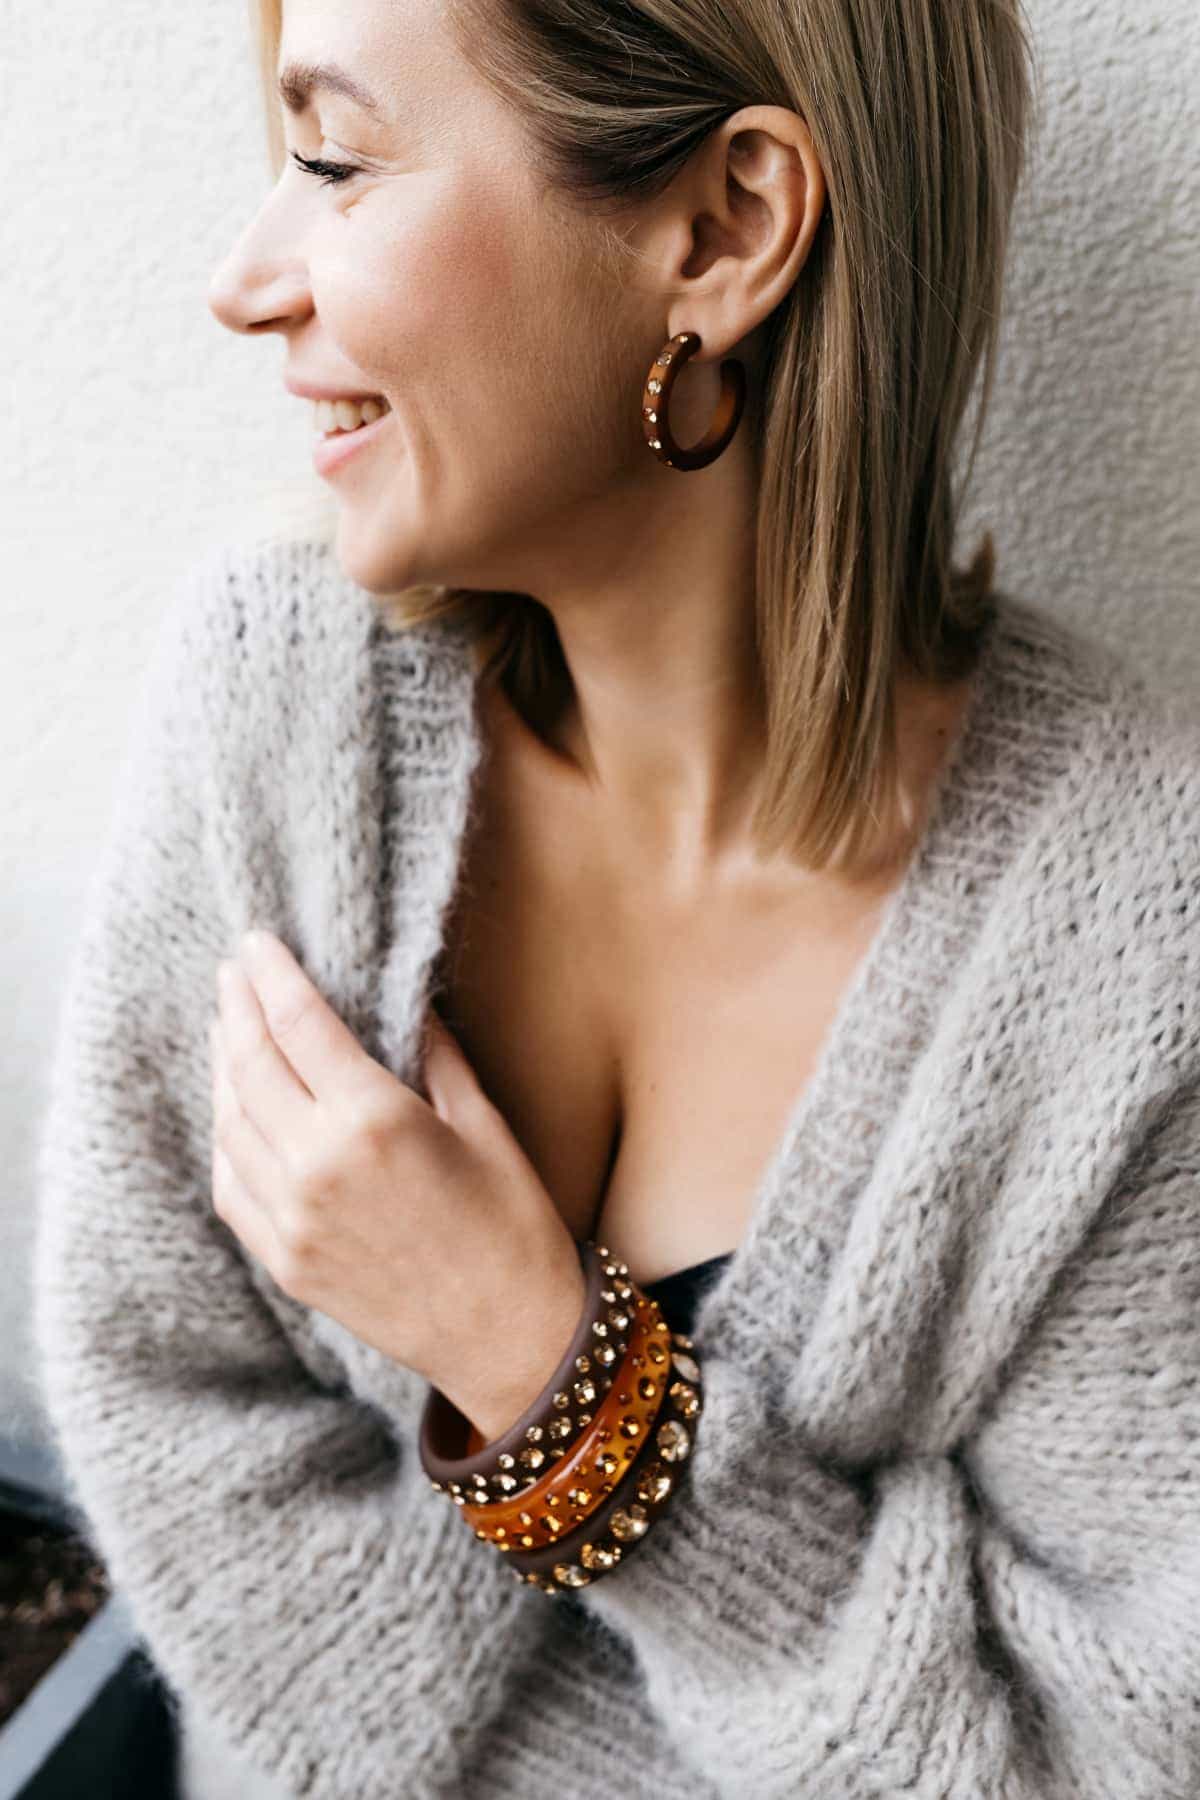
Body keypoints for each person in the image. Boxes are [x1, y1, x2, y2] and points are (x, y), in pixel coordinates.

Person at [32, 0, 1200, 1796]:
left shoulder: (1131, 950)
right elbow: (171, 1423)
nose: (244, 280)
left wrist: (552, 1382)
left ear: (727, 228)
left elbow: (1098, 1758)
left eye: (337, 160)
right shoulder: (279, 712)